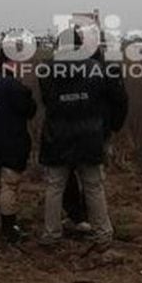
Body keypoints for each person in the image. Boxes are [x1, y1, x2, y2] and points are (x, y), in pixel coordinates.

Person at [38, 28, 128, 250]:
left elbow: (48, 101)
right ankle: (103, 234)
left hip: (57, 136)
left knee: (54, 187)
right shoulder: (96, 69)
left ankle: (51, 234)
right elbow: (109, 99)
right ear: (80, 45)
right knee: (94, 187)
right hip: (89, 135)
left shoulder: (46, 70)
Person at [0, 47, 37, 242]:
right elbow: (29, 110)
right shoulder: (13, 87)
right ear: (12, 62)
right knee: (9, 186)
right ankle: (9, 229)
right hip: (10, 144)